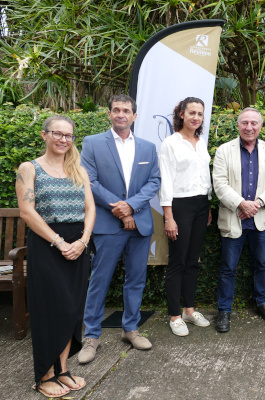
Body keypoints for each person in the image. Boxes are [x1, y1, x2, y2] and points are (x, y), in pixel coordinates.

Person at [16, 115, 95, 398]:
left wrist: (84, 240)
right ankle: (44, 375)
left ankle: (62, 370)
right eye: (57, 134)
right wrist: (60, 242)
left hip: (78, 246)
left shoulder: (79, 170)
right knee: (50, 308)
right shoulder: (29, 168)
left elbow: (90, 209)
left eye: (68, 135)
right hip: (48, 245)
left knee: (72, 310)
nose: (63, 139)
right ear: (44, 135)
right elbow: (27, 212)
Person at [78, 94, 160, 364]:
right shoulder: (92, 144)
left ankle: (131, 329)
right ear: (110, 114)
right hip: (107, 224)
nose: (121, 114)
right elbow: (88, 181)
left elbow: (154, 182)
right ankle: (91, 336)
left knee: (136, 279)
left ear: (135, 116)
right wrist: (120, 208)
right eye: (116, 110)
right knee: (100, 281)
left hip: (139, 224)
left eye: (126, 110)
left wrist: (131, 207)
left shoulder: (148, 148)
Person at [212, 107, 265, 333]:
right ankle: (224, 311)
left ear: (260, 126)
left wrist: (257, 204)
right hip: (234, 218)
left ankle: (262, 303)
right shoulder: (224, 150)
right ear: (238, 125)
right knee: (228, 268)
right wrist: (241, 203)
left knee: (261, 264)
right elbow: (220, 184)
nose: (249, 127)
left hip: (260, 220)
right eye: (245, 123)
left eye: (254, 123)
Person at [159, 97, 212, 336]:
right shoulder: (171, 143)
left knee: (193, 261)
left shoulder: (201, 142)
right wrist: (168, 217)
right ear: (181, 114)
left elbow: (204, 178)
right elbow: (166, 181)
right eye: (191, 112)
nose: (196, 117)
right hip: (180, 206)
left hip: (201, 205)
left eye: (200, 114)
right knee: (178, 262)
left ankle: (189, 311)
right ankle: (174, 316)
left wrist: (208, 206)